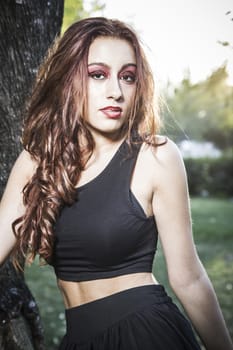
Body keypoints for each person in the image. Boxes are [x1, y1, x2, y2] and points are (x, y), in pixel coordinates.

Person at [0, 16, 232, 350]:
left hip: (145, 334)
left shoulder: (156, 158)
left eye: (128, 77)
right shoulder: (37, 162)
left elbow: (189, 279)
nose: (116, 92)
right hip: (79, 341)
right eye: (98, 75)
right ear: (69, 80)